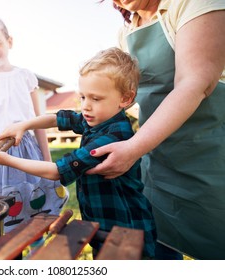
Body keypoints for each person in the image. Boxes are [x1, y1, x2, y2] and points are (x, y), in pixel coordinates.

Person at [0, 47, 157, 259]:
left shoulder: (114, 136)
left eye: (96, 98)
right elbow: (57, 118)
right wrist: (24, 125)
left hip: (126, 228)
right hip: (101, 224)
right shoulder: (95, 120)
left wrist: (7, 160)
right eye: (82, 97)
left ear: (125, 99)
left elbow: (58, 171)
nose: (85, 106)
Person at [85, 0, 225, 260]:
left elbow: (194, 82)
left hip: (209, 156)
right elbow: (125, 97)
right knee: (158, 242)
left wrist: (133, 148)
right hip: (157, 158)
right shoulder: (125, 33)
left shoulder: (193, 4)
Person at [0, 17, 69, 233]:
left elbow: (38, 122)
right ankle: (2, 251)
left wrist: (47, 162)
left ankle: (33, 243)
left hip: (22, 150)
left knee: (31, 209)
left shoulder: (25, 76)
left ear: (9, 41)